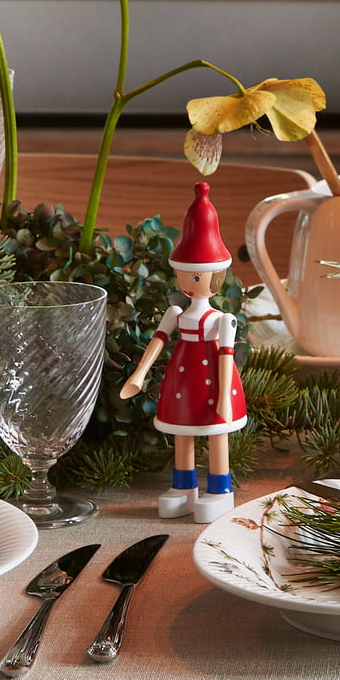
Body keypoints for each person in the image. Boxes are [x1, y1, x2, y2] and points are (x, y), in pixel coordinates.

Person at [120, 182, 246, 523]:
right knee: (182, 431)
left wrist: (224, 396)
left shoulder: (222, 318)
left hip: (212, 380)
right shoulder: (177, 314)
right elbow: (158, 341)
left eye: (198, 275)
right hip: (183, 379)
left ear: (216, 277)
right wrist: (139, 374)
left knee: (217, 433)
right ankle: (183, 485)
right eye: (184, 275)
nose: (190, 281)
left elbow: (225, 356)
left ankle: (220, 489)